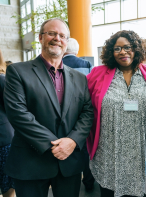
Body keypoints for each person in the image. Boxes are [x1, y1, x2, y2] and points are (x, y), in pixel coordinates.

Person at [3, 18, 94, 197]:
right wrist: (54, 145)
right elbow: (18, 113)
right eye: (51, 33)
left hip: (69, 163)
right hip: (31, 161)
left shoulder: (79, 78)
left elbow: (87, 112)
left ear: (66, 42)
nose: (57, 38)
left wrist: (72, 141)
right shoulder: (18, 71)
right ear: (40, 38)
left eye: (62, 35)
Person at [86, 30, 146, 197]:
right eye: (117, 49)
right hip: (108, 151)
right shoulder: (97, 74)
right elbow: (84, 105)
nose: (123, 52)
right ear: (111, 52)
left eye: (128, 47)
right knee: (108, 192)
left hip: (141, 151)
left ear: (136, 49)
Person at [63, 37, 95, 191]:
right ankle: (88, 183)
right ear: (76, 50)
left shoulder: (59, 64)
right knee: (86, 148)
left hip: (65, 114)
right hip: (84, 110)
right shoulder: (87, 65)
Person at [0, 49, 15, 197]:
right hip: (4, 138)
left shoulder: (1, 79)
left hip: (3, 139)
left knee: (7, 183)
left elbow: (12, 108)